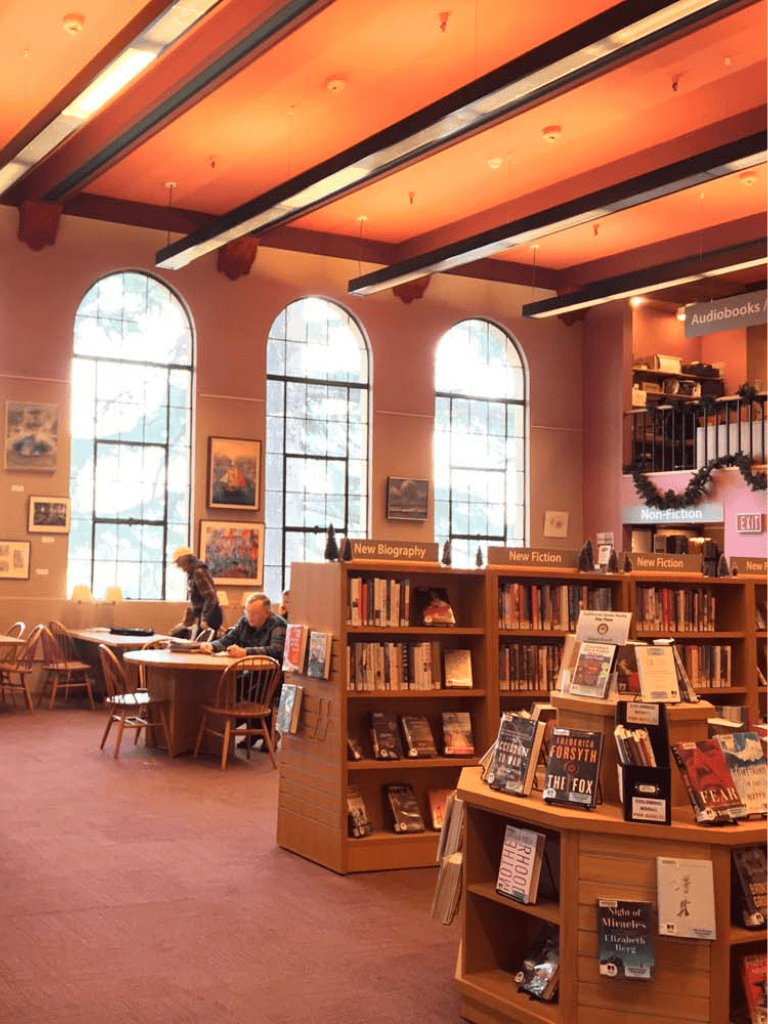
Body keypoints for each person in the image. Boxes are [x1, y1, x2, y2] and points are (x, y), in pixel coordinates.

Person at [200, 592, 287, 751]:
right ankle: (255, 732)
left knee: (258, 692)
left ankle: (265, 733)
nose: (248, 616)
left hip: (274, 677)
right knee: (233, 688)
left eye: (253, 613)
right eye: (247, 611)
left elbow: (277, 650)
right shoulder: (244, 622)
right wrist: (211, 646)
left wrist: (246, 652)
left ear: (266, 614)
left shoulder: (277, 624)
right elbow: (228, 639)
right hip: (251, 673)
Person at [169, 546, 222, 638]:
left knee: (201, 647)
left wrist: (205, 619)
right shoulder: (193, 573)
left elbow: (211, 597)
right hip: (207, 615)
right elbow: (197, 600)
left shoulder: (198, 572)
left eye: (179, 564)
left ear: (184, 561)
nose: (179, 567)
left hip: (211, 616)